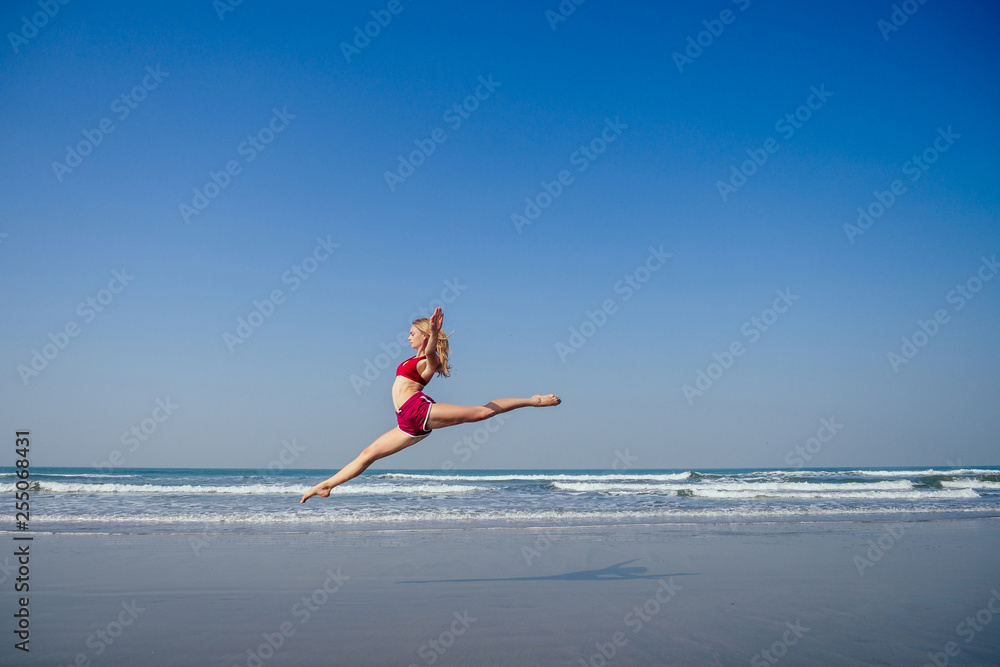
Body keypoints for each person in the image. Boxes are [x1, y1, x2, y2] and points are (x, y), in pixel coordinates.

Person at [301, 307, 560, 502]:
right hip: (406, 422)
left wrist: (434, 334)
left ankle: (534, 400)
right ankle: (327, 485)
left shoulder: (428, 361)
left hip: (419, 410)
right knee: (368, 454)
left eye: (412, 333)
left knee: (481, 413)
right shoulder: (411, 359)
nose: (408, 337)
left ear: (425, 335)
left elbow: (430, 355)